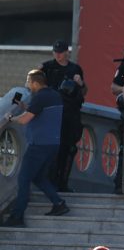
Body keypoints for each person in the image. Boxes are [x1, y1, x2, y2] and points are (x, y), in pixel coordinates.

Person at [2, 69, 69, 227]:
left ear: (36, 83)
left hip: (39, 145)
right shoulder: (53, 95)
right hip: (52, 144)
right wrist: (24, 105)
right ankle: (59, 203)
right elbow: (38, 112)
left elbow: (25, 119)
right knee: (38, 177)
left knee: (24, 179)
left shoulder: (40, 97)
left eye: (29, 82)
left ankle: (17, 216)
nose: (27, 85)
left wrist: (10, 117)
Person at [40, 40, 86, 191]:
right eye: (55, 52)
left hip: (70, 114)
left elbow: (84, 92)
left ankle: (62, 183)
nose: (58, 55)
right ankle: (50, 182)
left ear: (67, 52)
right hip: (52, 113)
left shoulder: (75, 68)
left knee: (69, 148)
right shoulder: (47, 67)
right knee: (53, 149)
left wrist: (80, 84)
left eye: (61, 52)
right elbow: (33, 86)